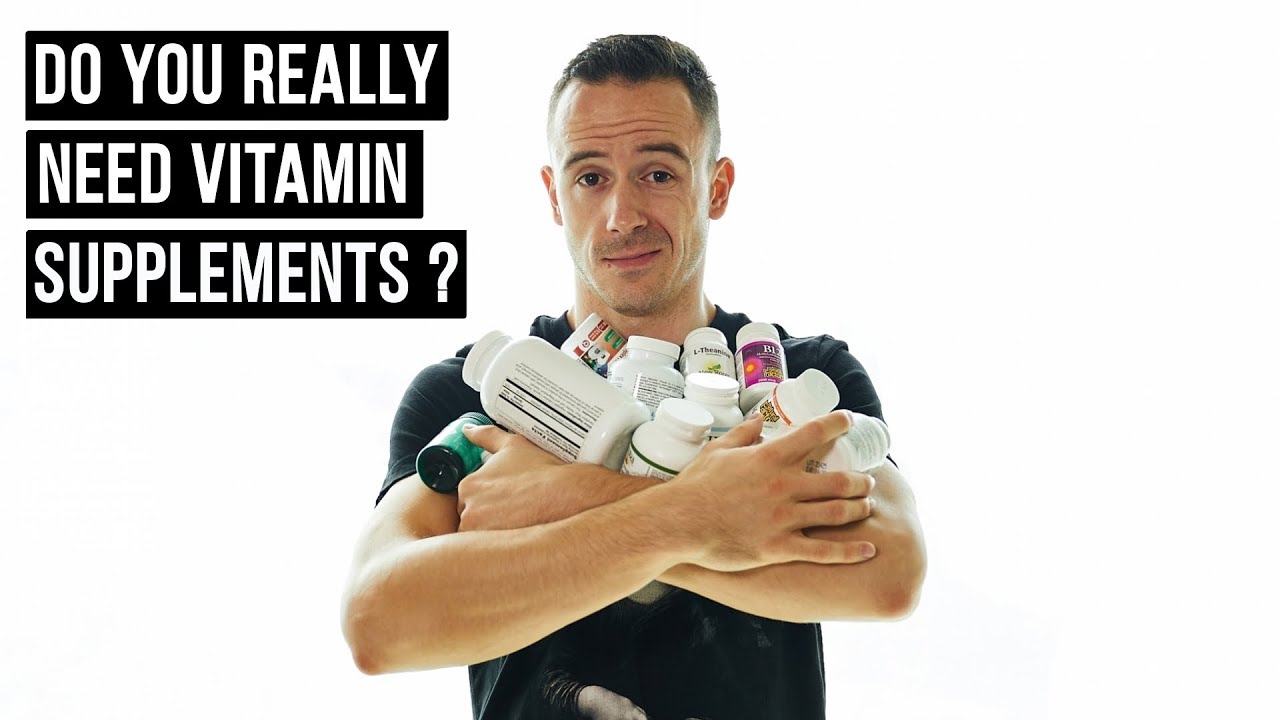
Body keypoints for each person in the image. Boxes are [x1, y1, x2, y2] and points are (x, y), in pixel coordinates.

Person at [341, 34, 926, 719]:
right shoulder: (469, 396)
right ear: (554, 195)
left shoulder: (800, 375)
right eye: (591, 178)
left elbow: (888, 575)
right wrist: (710, 518)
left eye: (658, 174)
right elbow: (380, 623)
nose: (622, 216)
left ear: (716, 187)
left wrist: (568, 498)